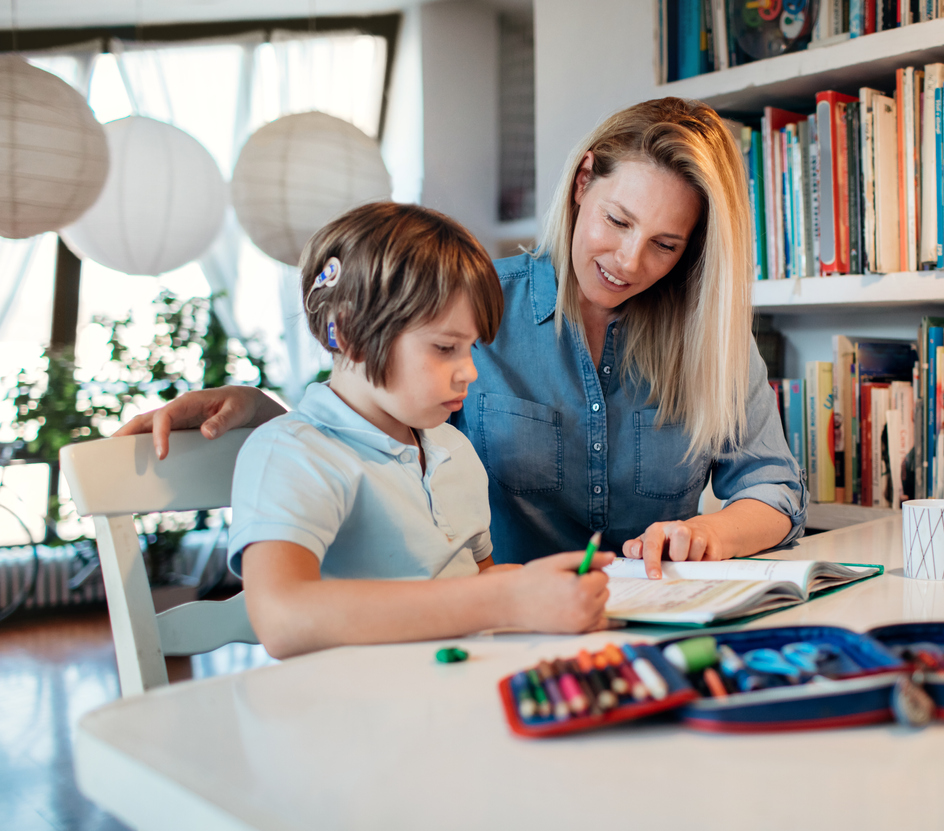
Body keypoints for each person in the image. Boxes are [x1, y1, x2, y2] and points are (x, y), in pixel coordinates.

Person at [119, 97, 807, 581]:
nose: (628, 262)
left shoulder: (708, 339)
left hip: (654, 625)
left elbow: (773, 488)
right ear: (582, 181)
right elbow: (368, 425)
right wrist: (257, 408)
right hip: (491, 627)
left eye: (664, 244)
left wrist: (710, 533)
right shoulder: (468, 306)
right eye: (618, 220)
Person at [226, 203, 611, 659]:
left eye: (469, 349)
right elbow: (282, 618)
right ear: (348, 334)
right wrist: (503, 599)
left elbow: (476, 581)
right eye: (445, 347)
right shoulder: (294, 454)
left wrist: (534, 593)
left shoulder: (454, 449)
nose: (468, 370)